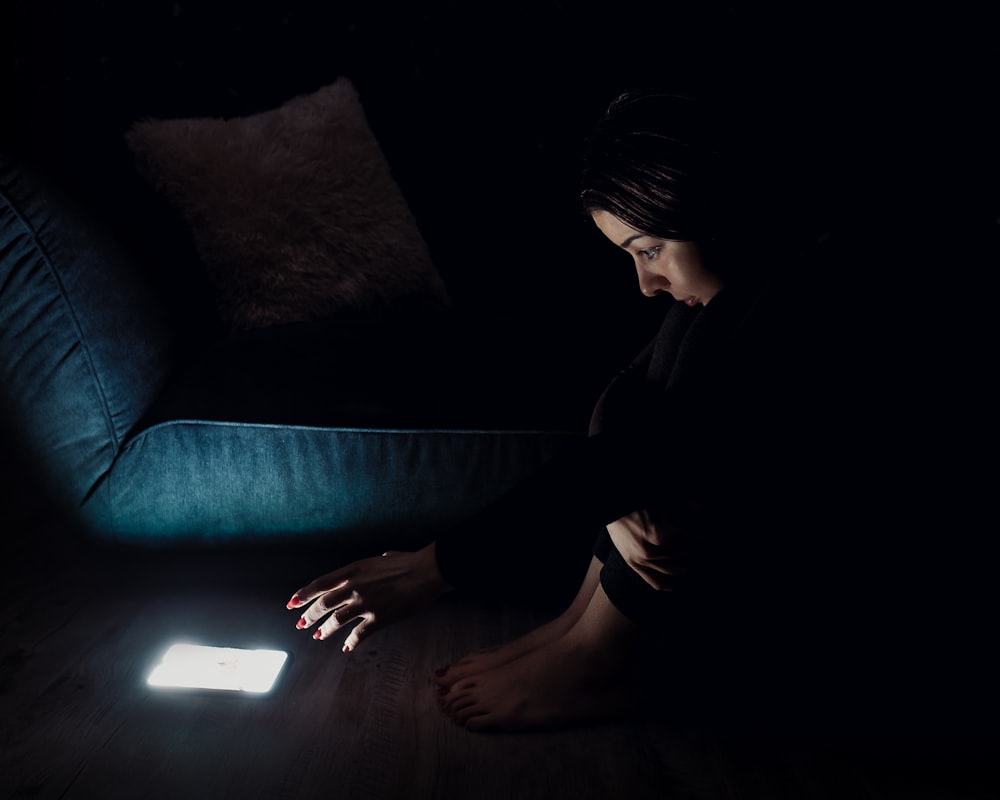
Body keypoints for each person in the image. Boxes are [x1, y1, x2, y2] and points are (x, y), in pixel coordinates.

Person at [286, 89, 838, 733]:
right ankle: (583, 626)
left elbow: (669, 447)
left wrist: (431, 569)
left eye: (649, 248)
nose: (645, 283)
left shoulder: (804, 295)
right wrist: (624, 494)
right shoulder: (744, 289)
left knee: (658, 463)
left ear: (712, 208)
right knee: (659, 401)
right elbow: (626, 395)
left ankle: (603, 657)